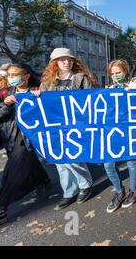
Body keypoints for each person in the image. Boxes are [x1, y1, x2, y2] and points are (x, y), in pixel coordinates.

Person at [36, 48, 95, 211]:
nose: (67, 62)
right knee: (60, 160)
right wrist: (36, 96)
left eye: (69, 60)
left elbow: (91, 99)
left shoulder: (81, 78)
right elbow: (41, 103)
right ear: (55, 63)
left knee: (74, 156)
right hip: (55, 125)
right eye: (62, 60)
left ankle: (85, 185)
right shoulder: (47, 82)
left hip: (76, 124)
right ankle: (69, 192)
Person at [0, 64, 51, 226]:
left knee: (13, 168)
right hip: (10, 136)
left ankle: (1, 205)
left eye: (15, 74)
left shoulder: (37, 90)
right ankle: (44, 180)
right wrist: (6, 105)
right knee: (27, 163)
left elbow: (50, 112)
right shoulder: (4, 92)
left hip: (29, 137)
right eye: (9, 75)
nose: (11, 78)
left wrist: (41, 99)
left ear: (26, 76)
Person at [104, 60, 136, 213]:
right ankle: (120, 191)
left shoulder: (135, 87)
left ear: (125, 72)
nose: (115, 76)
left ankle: (134, 190)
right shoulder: (109, 89)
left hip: (131, 131)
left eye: (118, 72)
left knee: (132, 162)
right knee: (108, 164)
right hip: (113, 133)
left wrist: (132, 95)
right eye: (112, 74)